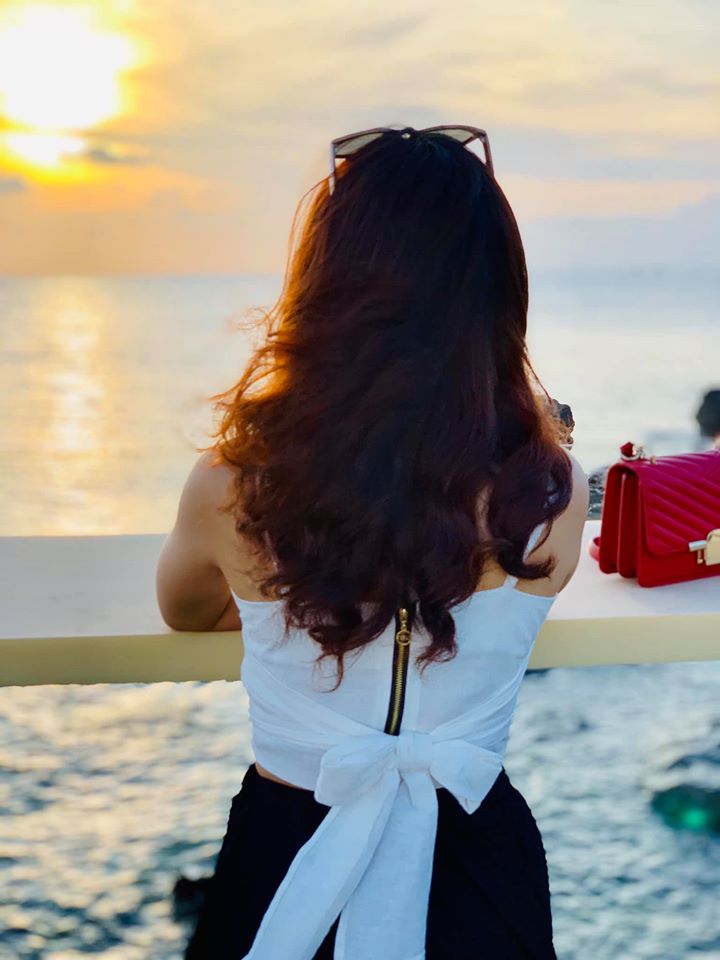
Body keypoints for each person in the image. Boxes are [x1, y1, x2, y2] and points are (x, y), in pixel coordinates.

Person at [156, 124, 590, 960]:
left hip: (289, 851)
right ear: (500, 294)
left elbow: (185, 610)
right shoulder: (552, 492)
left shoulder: (231, 487)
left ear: (325, 287)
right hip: (478, 859)